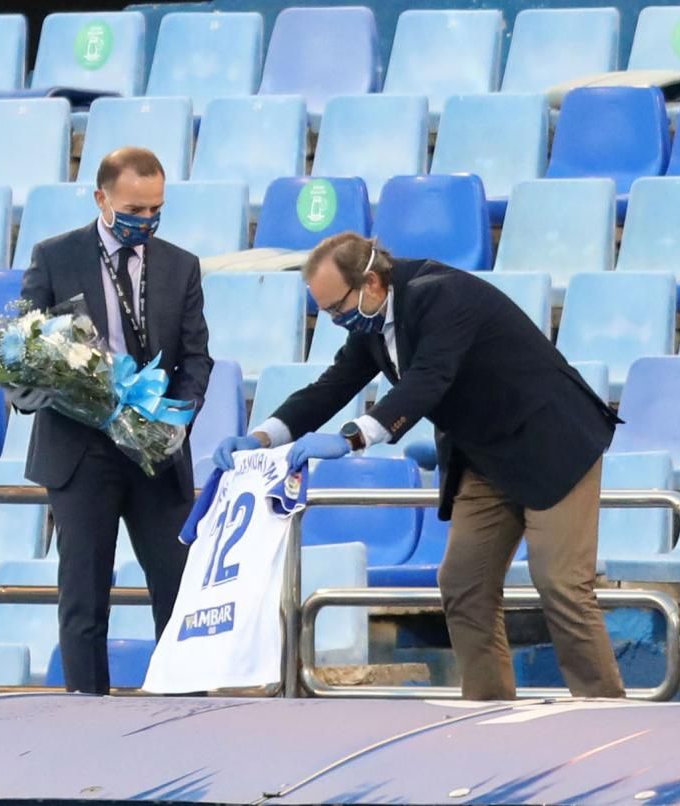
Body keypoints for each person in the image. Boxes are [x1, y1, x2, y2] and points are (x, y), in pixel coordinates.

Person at [213, 232, 625, 700]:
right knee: (463, 583)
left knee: (561, 583)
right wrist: (265, 435)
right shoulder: (368, 325)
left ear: (371, 282)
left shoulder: (441, 296)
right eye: (326, 313)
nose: (336, 320)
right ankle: (488, 709)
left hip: (550, 445)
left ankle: (605, 711)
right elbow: (332, 385)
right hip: (483, 456)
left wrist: (354, 436)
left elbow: (429, 379)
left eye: (337, 308)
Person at [11, 147, 212, 694]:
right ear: (101, 198)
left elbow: (196, 357)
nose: (145, 220)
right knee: (83, 599)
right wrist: (54, 391)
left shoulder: (181, 264)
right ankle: (86, 718)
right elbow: (21, 351)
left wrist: (179, 415)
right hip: (81, 451)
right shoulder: (55, 257)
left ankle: (183, 710)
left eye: (156, 210)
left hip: (157, 451)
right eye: (134, 209)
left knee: (177, 590)